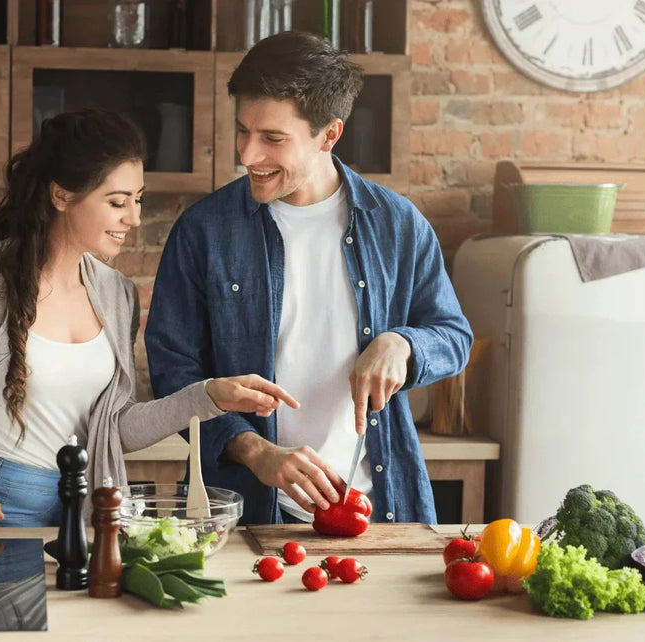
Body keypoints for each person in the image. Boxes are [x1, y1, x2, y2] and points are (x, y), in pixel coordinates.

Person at [0, 110, 298, 533]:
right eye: (117, 202)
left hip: (88, 512)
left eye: (137, 199)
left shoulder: (117, 295)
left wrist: (208, 396)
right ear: (62, 196)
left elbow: (113, 430)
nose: (134, 218)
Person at [145, 32, 473, 526]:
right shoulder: (203, 231)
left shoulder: (398, 225)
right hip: (245, 514)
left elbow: (453, 336)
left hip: (375, 509)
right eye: (242, 131)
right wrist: (256, 451)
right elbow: (174, 371)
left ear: (329, 135)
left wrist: (402, 344)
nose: (248, 154)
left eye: (273, 139)